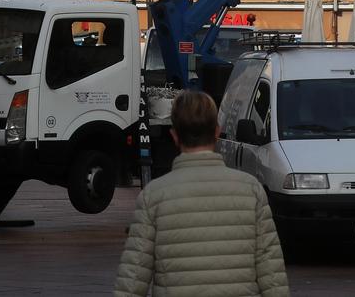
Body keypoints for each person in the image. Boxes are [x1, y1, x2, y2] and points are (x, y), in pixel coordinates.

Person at [113, 90, 288, 297]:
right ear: (217, 132)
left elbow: (133, 279)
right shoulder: (251, 191)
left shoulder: (153, 195)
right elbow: (271, 274)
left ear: (174, 136)